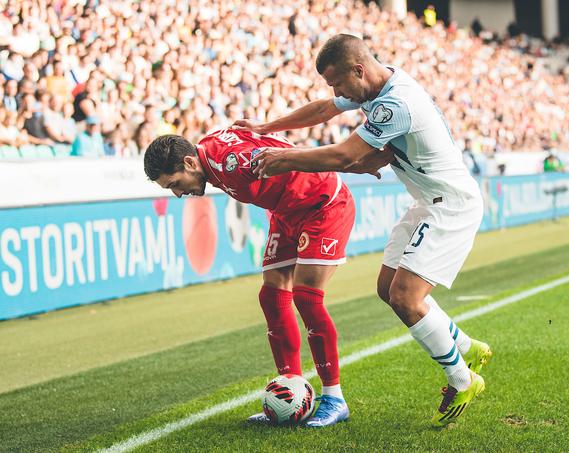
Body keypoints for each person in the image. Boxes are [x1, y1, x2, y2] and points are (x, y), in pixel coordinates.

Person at [235, 33, 492, 426]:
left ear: (359, 70)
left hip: (451, 206)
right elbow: (323, 110)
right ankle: (464, 344)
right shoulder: (374, 86)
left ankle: (462, 379)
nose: (337, 92)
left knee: (407, 297)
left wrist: (286, 158)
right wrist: (266, 126)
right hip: (427, 202)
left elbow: (344, 154)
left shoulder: (395, 103)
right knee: (387, 289)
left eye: (338, 83)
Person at [143, 128, 392, 427]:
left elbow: (290, 156)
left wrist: (358, 162)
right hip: (286, 213)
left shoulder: (234, 163)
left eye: (175, 183)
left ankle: (334, 398)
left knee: (306, 297)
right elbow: (261, 139)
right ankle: (290, 391)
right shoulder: (208, 151)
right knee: (272, 297)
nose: (178, 193)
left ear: (189, 162)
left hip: (322, 205)